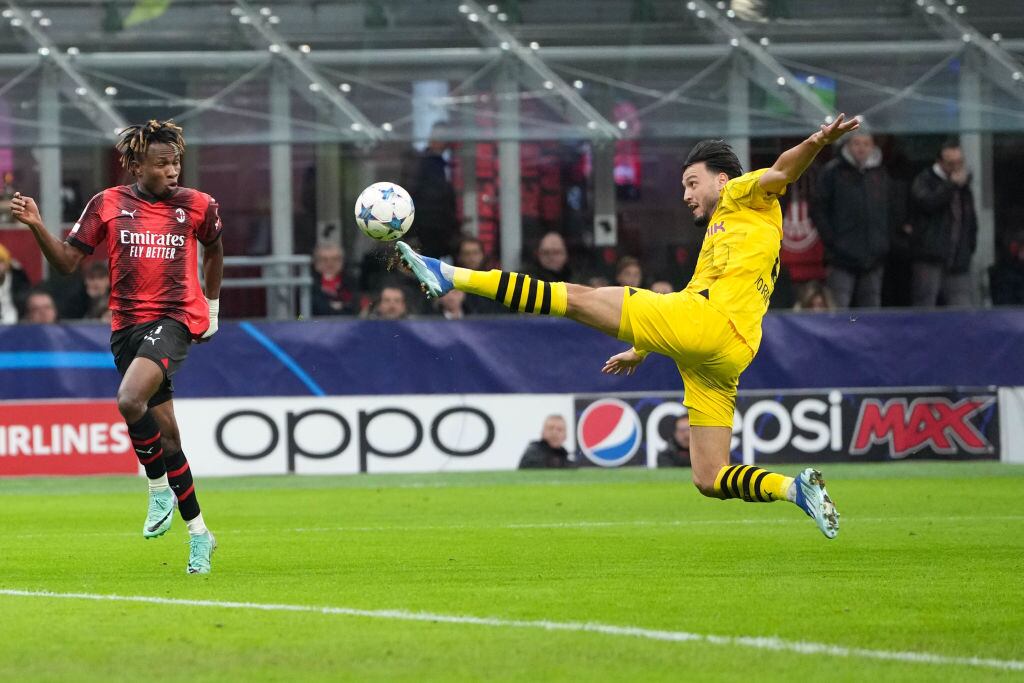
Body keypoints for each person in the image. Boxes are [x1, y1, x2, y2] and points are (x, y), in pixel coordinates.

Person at [398, 114, 863, 539]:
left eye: (691, 183)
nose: (685, 194)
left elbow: (783, 170)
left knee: (574, 298)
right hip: (726, 351)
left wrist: (819, 140)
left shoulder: (743, 193)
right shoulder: (725, 234)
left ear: (723, 179)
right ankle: (794, 489)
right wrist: (643, 344)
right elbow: (691, 298)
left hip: (709, 325)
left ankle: (450, 275)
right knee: (709, 475)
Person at [11, 119, 221, 573]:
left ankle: (157, 488)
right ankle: (200, 534)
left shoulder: (197, 205)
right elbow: (67, 262)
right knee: (167, 438)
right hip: (126, 327)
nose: (173, 171)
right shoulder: (107, 204)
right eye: (162, 163)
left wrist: (213, 306)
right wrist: (36, 226)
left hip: (176, 318)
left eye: (176, 162)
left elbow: (215, 249)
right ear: (135, 165)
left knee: (129, 400)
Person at [810, 131, 891, 308]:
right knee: (838, 310)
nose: (861, 148)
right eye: (857, 143)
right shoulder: (832, 172)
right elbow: (818, 209)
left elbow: (890, 210)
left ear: (873, 147)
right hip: (840, 258)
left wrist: (883, 242)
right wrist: (834, 242)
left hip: (874, 257)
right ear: (847, 145)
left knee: (871, 313)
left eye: (866, 144)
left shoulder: (880, 174)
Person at [908, 139, 977, 307]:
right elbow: (928, 203)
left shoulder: (963, 186)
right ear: (939, 162)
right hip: (929, 257)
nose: (956, 167)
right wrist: (951, 185)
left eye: (959, 162)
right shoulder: (924, 180)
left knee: (962, 307)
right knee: (925, 305)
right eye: (950, 163)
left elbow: (970, 219)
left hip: (958, 258)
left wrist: (969, 247)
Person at [311, 242, 357, 316]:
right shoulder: (308, 284)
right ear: (316, 262)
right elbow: (300, 316)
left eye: (335, 259)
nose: (330, 263)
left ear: (342, 261)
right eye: (324, 260)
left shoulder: (351, 283)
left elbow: (354, 309)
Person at [0, 242, 31, 324]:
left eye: (0, 261)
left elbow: (24, 300)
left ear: (7, 264)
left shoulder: (18, 279)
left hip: (15, 324)